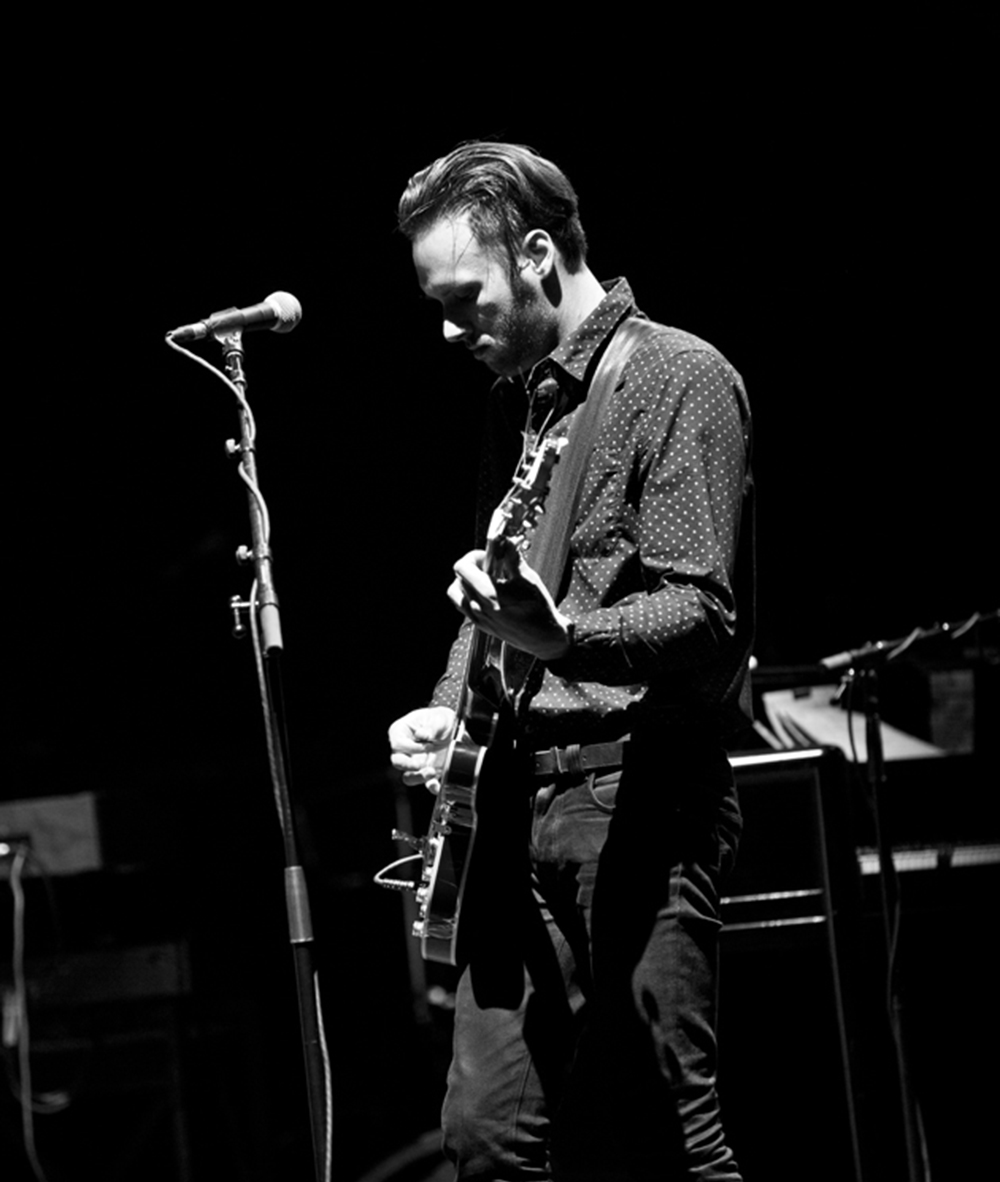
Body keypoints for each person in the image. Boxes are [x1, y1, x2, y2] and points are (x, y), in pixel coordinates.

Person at [388, 141, 753, 1180]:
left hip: (633, 793)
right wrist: (448, 706)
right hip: (512, 809)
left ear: (539, 254)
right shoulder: (527, 402)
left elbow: (701, 607)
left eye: (466, 299)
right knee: (488, 1137)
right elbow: (510, 597)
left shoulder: (677, 376)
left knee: (668, 1134)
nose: (452, 330)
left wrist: (563, 640)